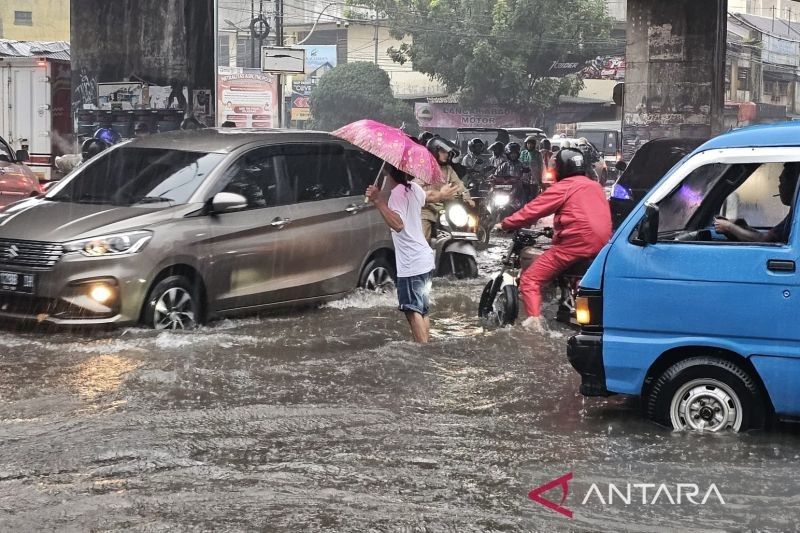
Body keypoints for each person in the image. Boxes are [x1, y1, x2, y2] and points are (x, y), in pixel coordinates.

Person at [496, 148, 612, 331]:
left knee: (530, 280)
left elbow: (533, 210)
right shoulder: (596, 187)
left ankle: (535, 325)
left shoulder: (564, 187)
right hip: (602, 247)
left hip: (575, 246)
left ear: (560, 169)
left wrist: (505, 224)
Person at [365, 164, 457, 343]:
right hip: (424, 260)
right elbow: (429, 196)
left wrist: (377, 201)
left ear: (385, 171)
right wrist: (443, 194)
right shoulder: (413, 188)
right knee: (422, 309)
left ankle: (422, 352)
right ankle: (424, 343)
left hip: (412, 263)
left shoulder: (397, 194)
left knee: (412, 310)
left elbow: (398, 224)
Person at [714, 162, 800, 243]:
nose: (779, 186)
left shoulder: (796, 216)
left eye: (781, 181)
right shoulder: (793, 215)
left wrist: (729, 227)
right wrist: (743, 228)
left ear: (795, 185)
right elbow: (770, 237)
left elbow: (764, 240)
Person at [421, 136, 475, 240]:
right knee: (424, 238)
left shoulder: (448, 169)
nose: (446, 155)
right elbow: (416, 189)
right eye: (443, 152)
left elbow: (459, 184)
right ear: (434, 152)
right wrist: (432, 195)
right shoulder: (424, 168)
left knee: (463, 231)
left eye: (447, 152)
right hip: (426, 210)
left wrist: (467, 198)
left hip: (444, 208)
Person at [520, 136, 542, 201]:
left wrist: (540, 180)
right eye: (528, 143)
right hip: (524, 180)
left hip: (534, 180)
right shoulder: (523, 153)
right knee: (524, 198)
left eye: (531, 144)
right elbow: (520, 164)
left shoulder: (538, 154)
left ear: (534, 145)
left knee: (533, 198)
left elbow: (541, 167)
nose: (529, 145)